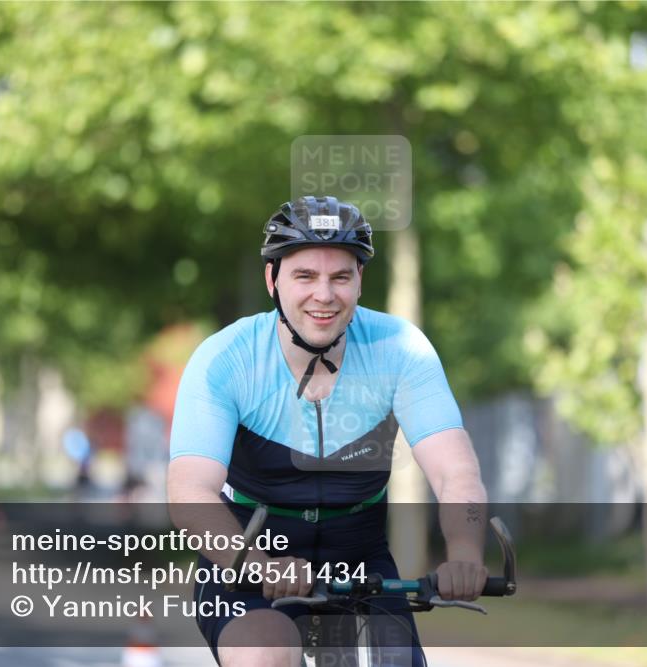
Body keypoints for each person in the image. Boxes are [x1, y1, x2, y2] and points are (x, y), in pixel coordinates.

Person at [168, 195, 489, 667]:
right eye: (305, 276)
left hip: (360, 556)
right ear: (272, 280)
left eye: (340, 276)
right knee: (264, 655)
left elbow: (455, 471)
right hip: (248, 560)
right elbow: (189, 491)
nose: (325, 294)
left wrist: (465, 551)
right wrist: (258, 565)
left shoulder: (401, 348)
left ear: (361, 281)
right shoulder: (226, 357)